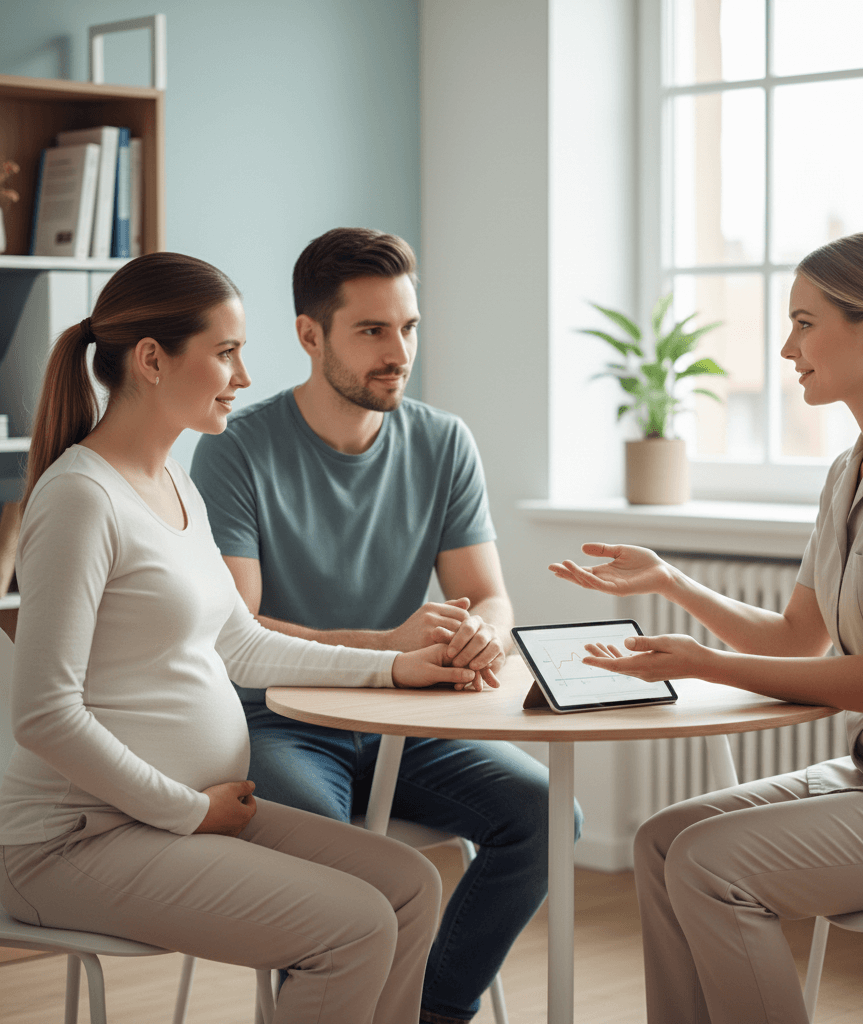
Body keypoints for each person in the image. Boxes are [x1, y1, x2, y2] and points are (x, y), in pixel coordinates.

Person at [0, 251, 498, 1024]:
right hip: (78, 839)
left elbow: (243, 645)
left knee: (410, 887)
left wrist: (396, 667)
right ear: (154, 360)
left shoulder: (175, 485)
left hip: (182, 812)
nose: (243, 374)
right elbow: (43, 714)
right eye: (226, 352)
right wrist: (186, 812)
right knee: (357, 926)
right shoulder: (79, 499)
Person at [550, 232, 863, 1024]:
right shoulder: (852, 470)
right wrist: (670, 579)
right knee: (662, 841)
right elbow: (798, 636)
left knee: (708, 865)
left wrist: (703, 664)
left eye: (805, 323)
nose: (786, 347)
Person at [190, 227, 581, 1024]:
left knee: (550, 816)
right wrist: (390, 649)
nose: (397, 351)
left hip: (414, 724)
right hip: (283, 721)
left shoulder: (443, 441)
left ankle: (431, 1010)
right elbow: (241, 626)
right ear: (310, 335)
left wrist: (482, 637)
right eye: (371, 330)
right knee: (342, 866)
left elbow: (489, 596)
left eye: (407, 328)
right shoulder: (237, 450)